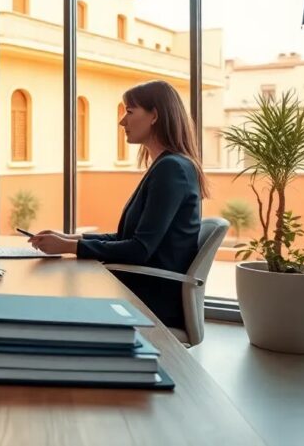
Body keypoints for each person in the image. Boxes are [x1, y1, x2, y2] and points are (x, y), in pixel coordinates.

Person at [29, 80, 208, 329]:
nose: (122, 121)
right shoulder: (167, 166)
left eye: (130, 112)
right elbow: (127, 238)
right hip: (140, 288)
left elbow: (139, 249)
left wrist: (71, 246)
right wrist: (69, 238)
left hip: (150, 300)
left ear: (154, 115)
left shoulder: (172, 169)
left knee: (46, 297)